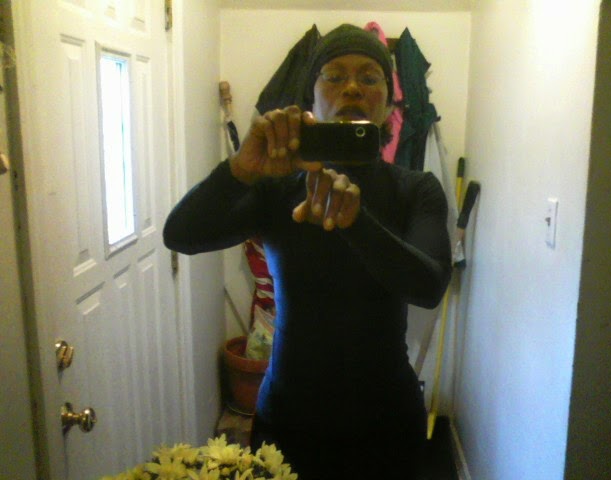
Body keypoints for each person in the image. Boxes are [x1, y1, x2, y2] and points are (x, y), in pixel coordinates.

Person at [164, 24, 451, 480]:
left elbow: (429, 285)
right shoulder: (276, 187)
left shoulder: (416, 189)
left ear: (389, 105)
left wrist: (356, 221)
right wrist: (239, 169)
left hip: (387, 425)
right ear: (311, 99)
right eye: (334, 76)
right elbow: (181, 234)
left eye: (369, 77)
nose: (352, 88)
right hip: (287, 421)